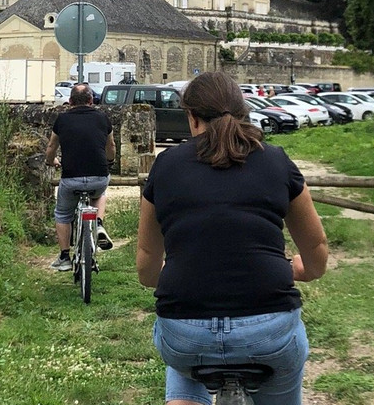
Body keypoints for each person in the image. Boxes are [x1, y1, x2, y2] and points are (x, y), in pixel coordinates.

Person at [136, 71, 329, 405]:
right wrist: (303, 271)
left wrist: (169, 277)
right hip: (268, 333)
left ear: (191, 117)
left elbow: (146, 264)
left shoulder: (165, 166)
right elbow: (316, 249)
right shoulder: (276, 161)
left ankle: (183, 400)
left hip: (186, 333)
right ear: (244, 111)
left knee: (184, 356)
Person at [44, 82, 116, 271]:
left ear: (69, 101)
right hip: (98, 176)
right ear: (91, 100)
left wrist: (51, 161)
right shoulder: (102, 118)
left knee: (63, 214)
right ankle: (98, 223)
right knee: (99, 194)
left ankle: (64, 257)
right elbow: (111, 147)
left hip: (71, 177)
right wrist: (110, 161)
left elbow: (51, 147)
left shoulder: (62, 120)